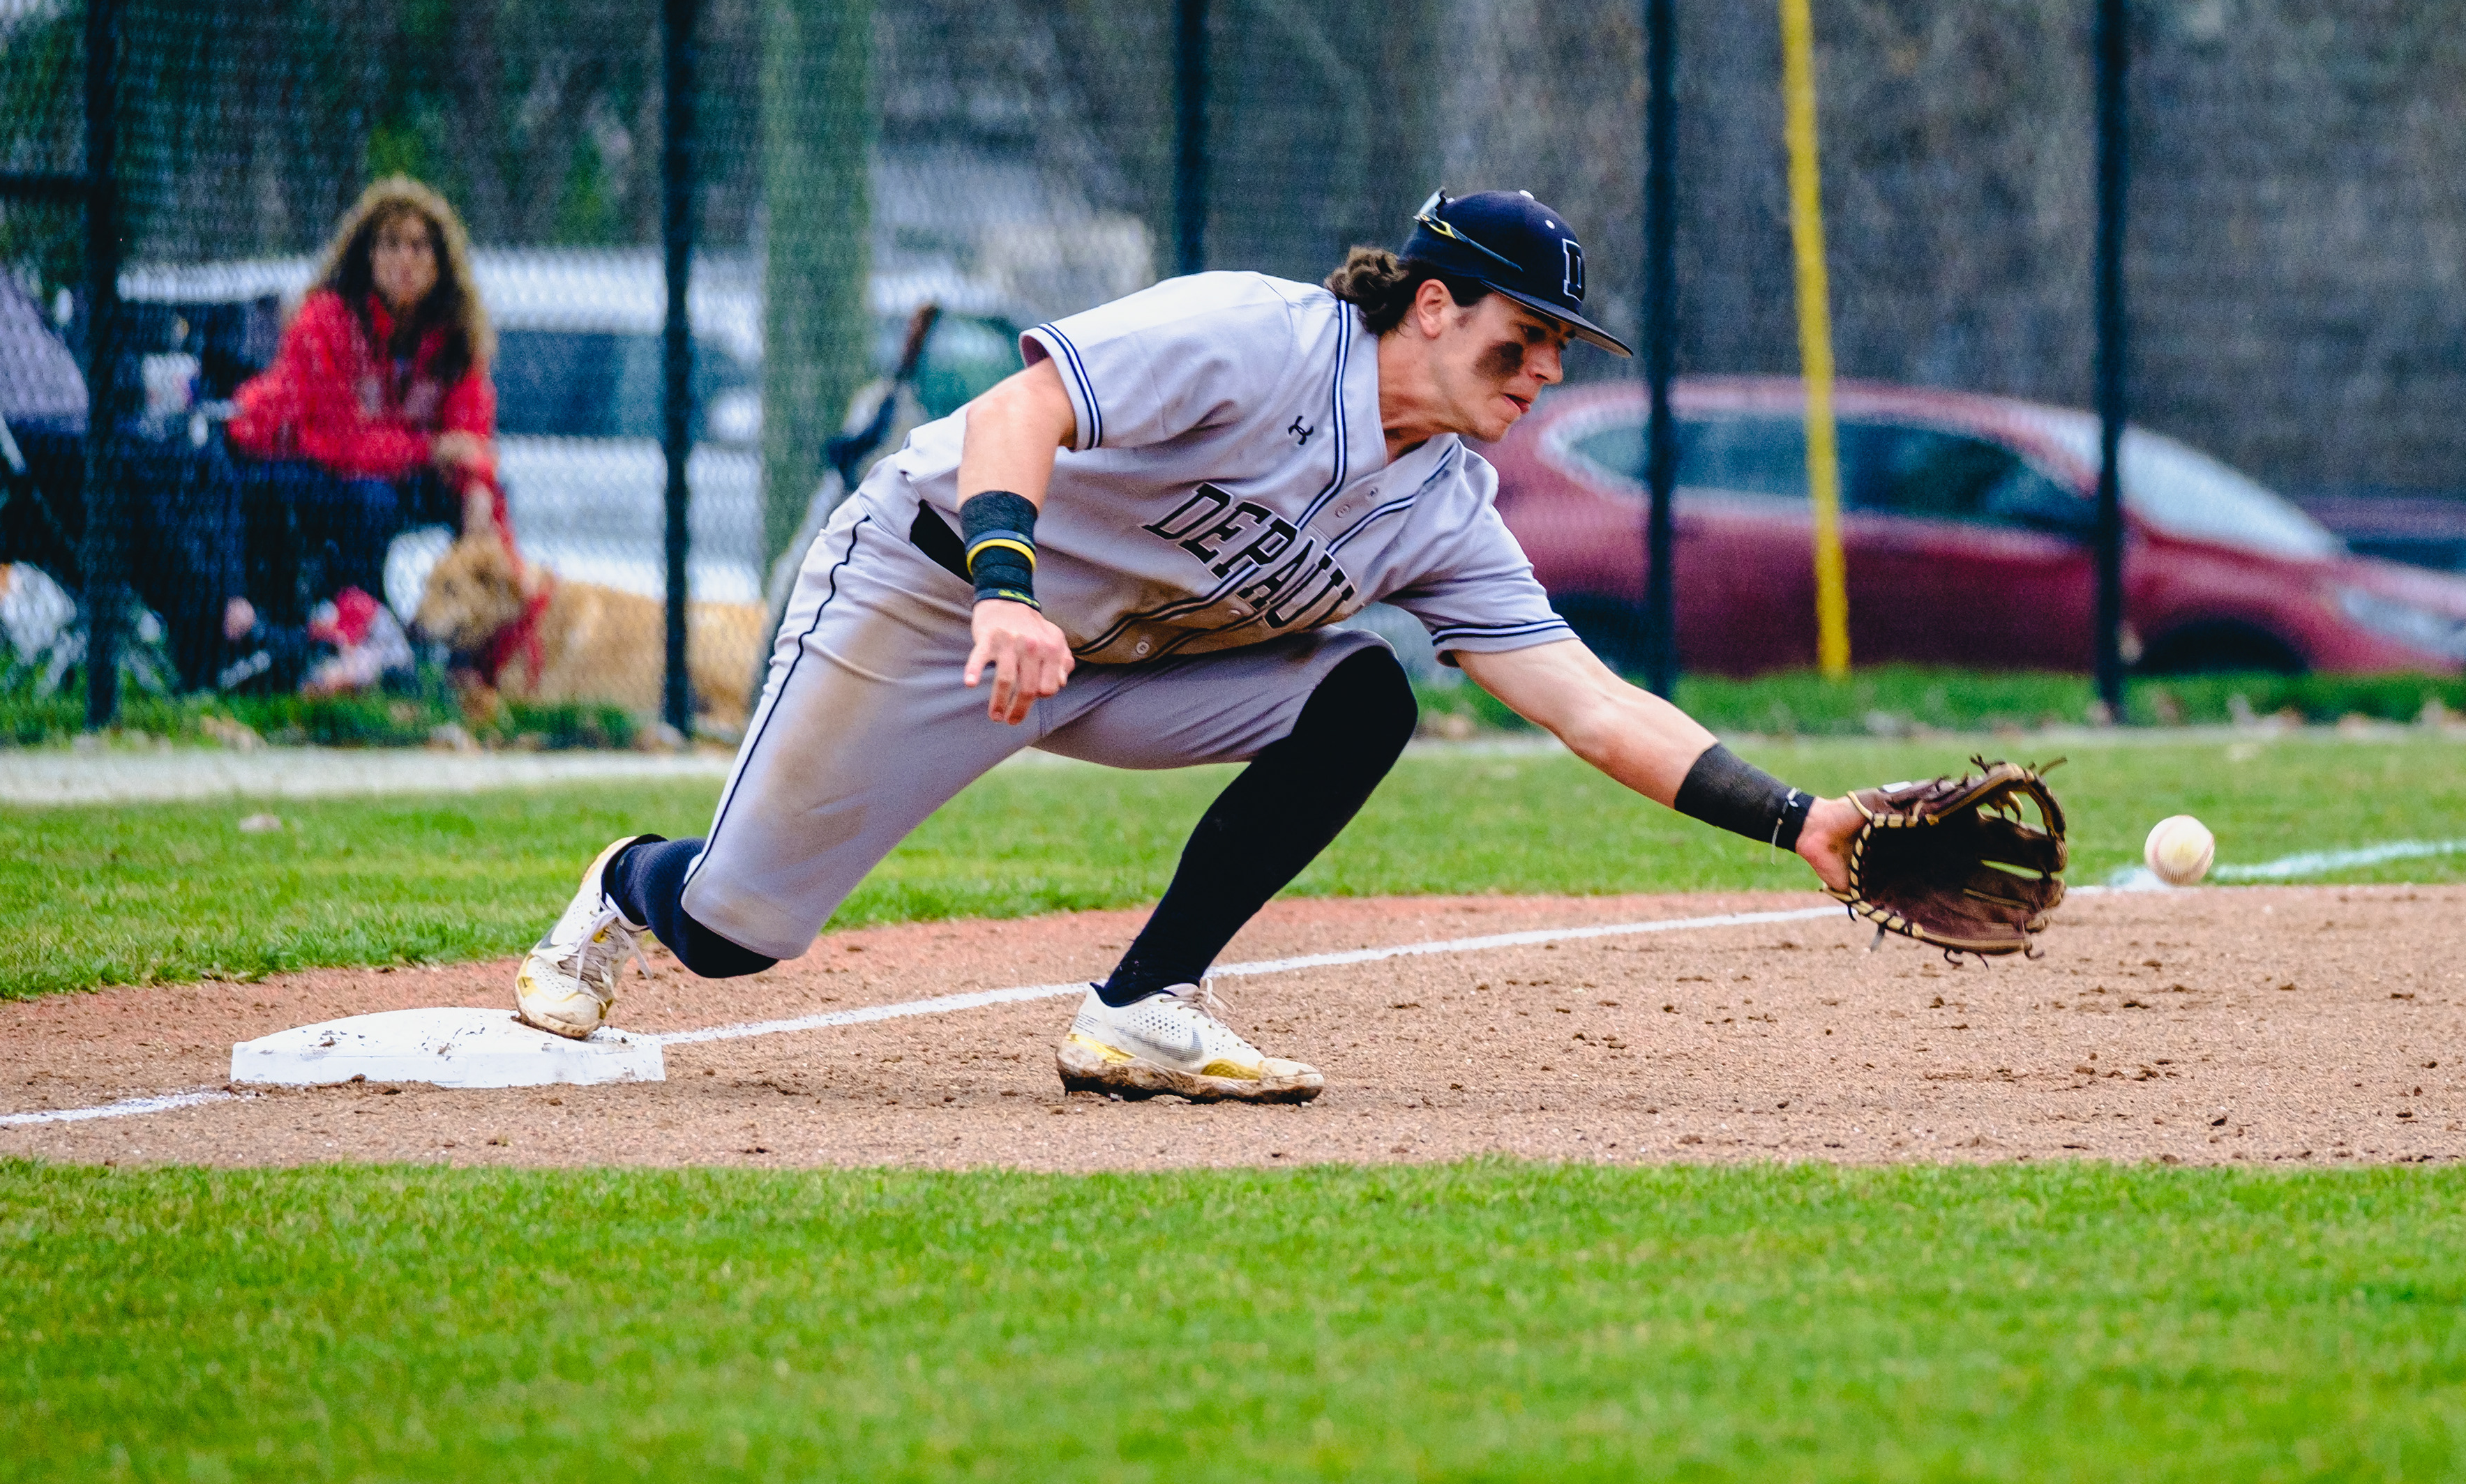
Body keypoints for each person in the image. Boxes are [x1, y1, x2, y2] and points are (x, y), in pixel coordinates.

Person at [511, 189, 1865, 1101]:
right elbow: (1015, 412)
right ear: (1437, 304)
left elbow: (1590, 703)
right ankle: (630, 885)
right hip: (930, 597)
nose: (1548, 371)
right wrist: (1005, 586)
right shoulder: (1256, 338)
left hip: (1114, 670)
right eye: (1529, 338)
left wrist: (1798, 817)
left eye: (1563, 348)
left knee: (1362, 690)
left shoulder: (1448, 508)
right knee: (734, 933)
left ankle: (1146, 1002)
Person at [222, 177, 503, 683]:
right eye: (391, 243)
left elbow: (470, 435)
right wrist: (430, 448)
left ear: (440, 263)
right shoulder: (326, 320)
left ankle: (477, 658)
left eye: (420, 246)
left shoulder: (455, 336)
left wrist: (478, 484)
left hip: (390, 469)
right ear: (367, 254)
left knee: (487, 505)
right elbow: (334, 439)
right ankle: (361, 637)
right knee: (369, 501)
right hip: (289, 461)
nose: (406, 259)